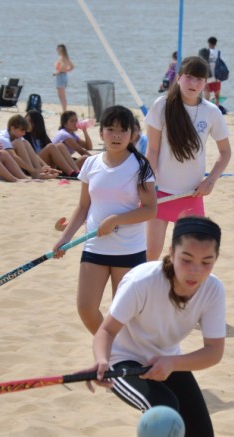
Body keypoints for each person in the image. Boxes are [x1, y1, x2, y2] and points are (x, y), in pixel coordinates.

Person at [85, 216, 226, 437]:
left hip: (166, 358)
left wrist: (173, 362)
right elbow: (106, 331)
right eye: (186, 259)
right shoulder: (143, 281)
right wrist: (101, 360)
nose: (195, 271)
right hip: (124, 360)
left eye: (206, 262)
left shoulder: (213, 290)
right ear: (171, 253)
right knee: (163, 409)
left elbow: (213, 352)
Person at [53, 105, 158, 334]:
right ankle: (112, 348)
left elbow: (150, 210)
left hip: (129, 250)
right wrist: (65, 237)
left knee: (124, 315)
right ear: (102, 134)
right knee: (86, 309)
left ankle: (119, 354)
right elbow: (83, 206)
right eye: (110, 129)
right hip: (95, 247)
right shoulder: (91, 164)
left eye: (123, 130)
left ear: (133, 134)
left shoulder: (140, 166)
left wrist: (115, 220)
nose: (117, 136)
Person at [144, 56, 231, 261]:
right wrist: (148, 182)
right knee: (151, 253)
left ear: (205, 83)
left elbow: (225, 152)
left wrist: (210, 181)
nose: (193, 83)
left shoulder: (212, 112)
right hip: (161, 191)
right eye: (189, 77)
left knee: (189, 255)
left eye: (200, 79)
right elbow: (153, 150)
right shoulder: (162, 105)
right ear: (179, 78)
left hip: (192, 193)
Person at [0, 115, 61, 179]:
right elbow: (15, 157)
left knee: (25, 142)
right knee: (18, 142)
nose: (24, 133)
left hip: (4, 163)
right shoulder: (3, 138)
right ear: (12, 128)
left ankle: (38, 173)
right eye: (22, 130)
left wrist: (46, 167)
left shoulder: (16, 136)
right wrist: (33, 169)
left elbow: (33, 154)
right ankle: (35, 173)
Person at [25, 109, 80, 177]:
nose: (27, 123)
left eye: (30, 121)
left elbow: (87, 146)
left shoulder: (42, 136)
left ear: (37, 123)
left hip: (46, 164)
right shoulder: (24, 136)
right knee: (51, 147)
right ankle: (71, 172)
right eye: (26, 121)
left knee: (60, 145)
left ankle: (77, 171)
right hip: (34, 164)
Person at [53, 44, 75, 113]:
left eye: (58, 49)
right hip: (63, 76)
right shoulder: (65, 57)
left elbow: (62, 67)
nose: (57, 50)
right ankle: (64, 110)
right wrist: (65, 70)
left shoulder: (62, 57)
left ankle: (64, 110)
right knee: (62, 95)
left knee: (61, 96)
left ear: (61, 50)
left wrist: (57, 72)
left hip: (61, 76)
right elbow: (72, 66)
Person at [203, 37, 224, 105]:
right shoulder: (219, 53)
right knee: (217, 97)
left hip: (208, 77)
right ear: (215, 43)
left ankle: (207, 110)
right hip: (217, 78)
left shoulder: (206, 52)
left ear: (208, 43)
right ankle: (216, 110)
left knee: (207, 97)